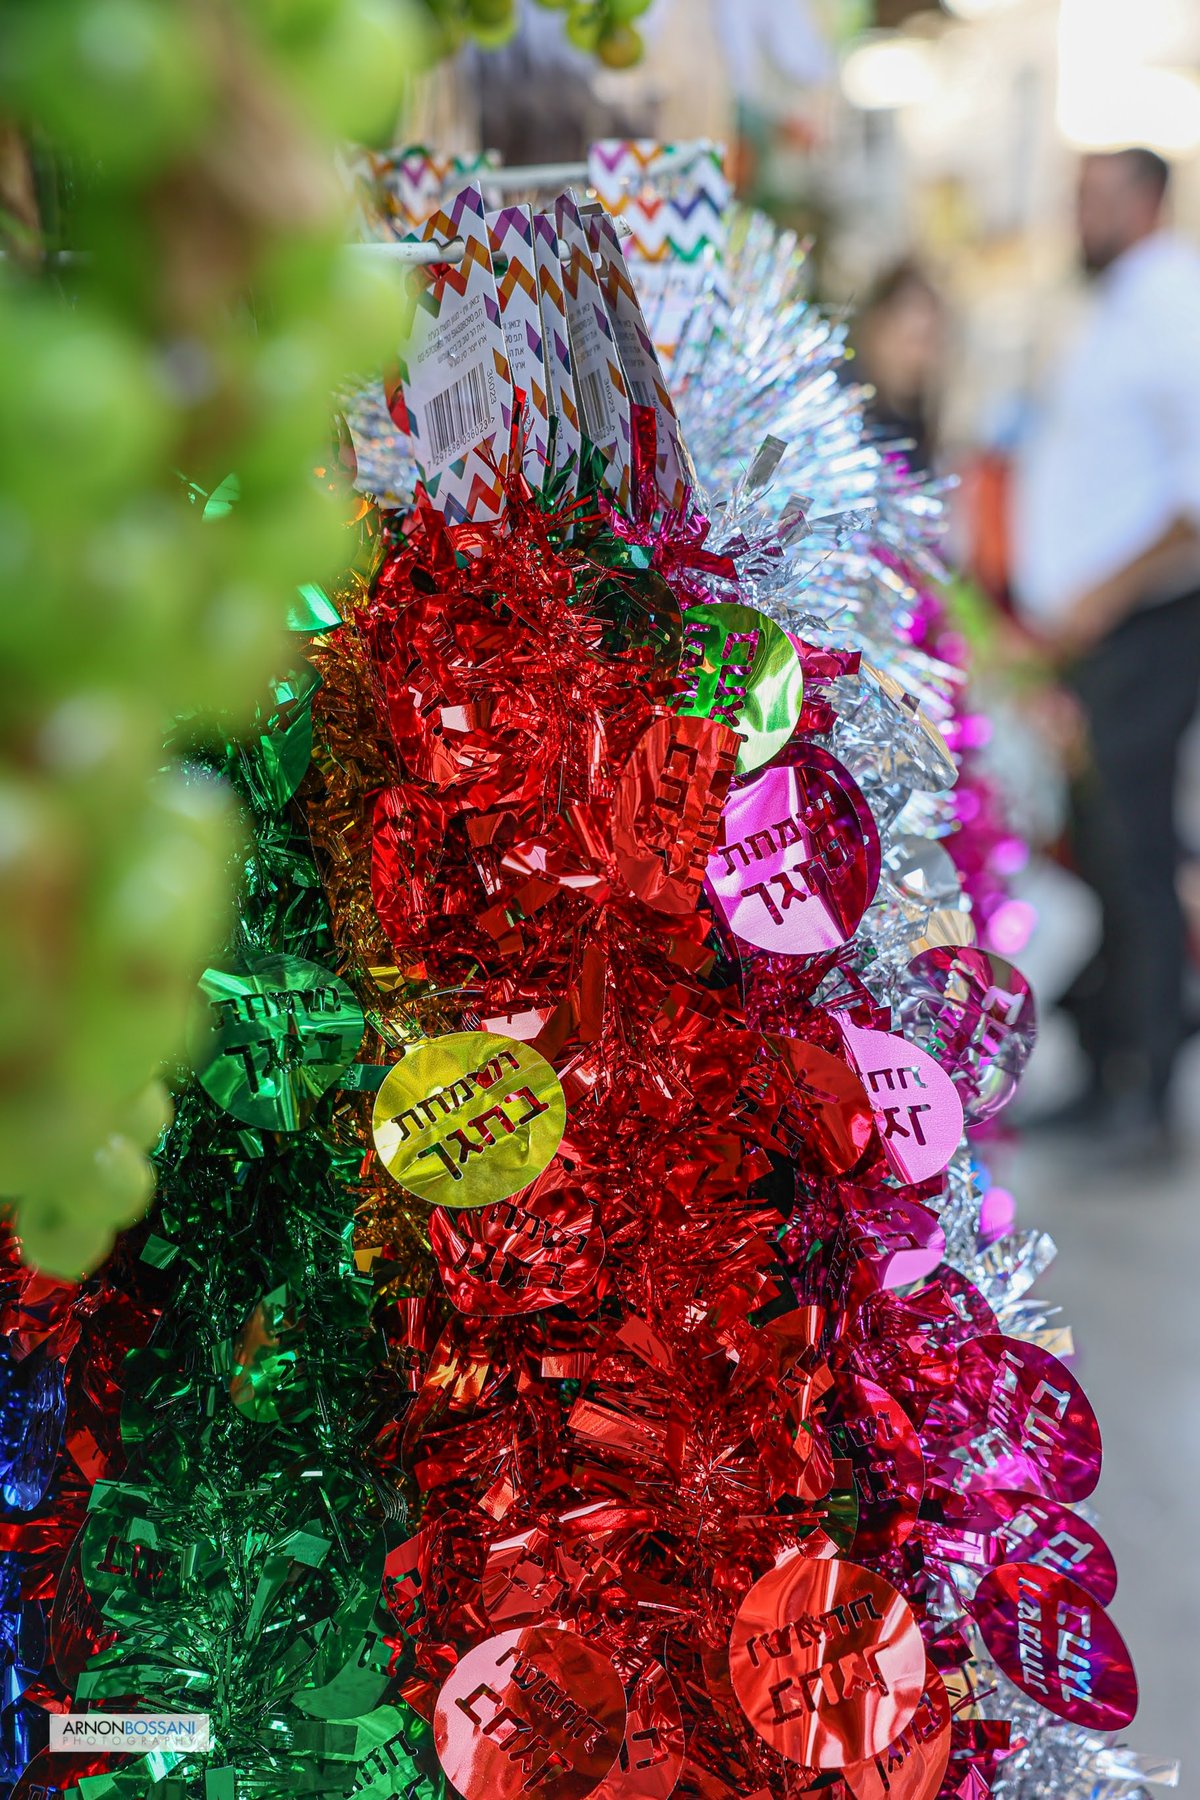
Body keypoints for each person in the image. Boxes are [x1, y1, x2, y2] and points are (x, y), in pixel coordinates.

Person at [1014, 148, 1200, 1160]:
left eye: (1097, 198)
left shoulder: (1174, 303)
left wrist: (1101, 592)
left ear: (1149, 200)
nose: (1078, 215)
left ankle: (1148, 1091)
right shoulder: (1118, 305)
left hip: (1145, 628)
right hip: (1096, 633)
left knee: (1135, 857)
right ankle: (1104, 1069)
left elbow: (1194, 495)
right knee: (1098, 849)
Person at [851, 260, 947, 477]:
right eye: (914, 339)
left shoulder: (914, 422)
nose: (925, 357)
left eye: (933, 340)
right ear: (879, 330)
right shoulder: (851, 417)